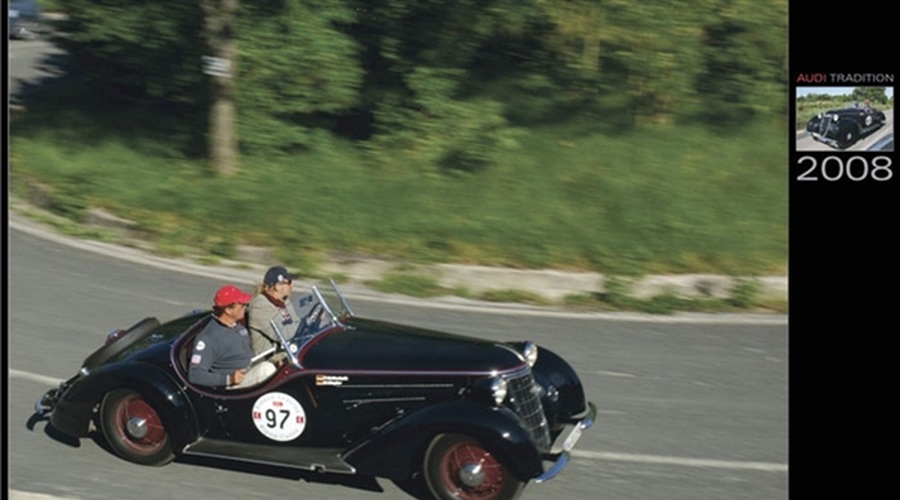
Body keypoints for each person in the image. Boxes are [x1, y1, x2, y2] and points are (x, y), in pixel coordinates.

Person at [188, 284, 276, 389]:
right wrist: (229, 379)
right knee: (267, 370)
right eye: (241, 304)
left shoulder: (240, 328)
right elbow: (195, 375)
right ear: (228, 310)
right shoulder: (208, 338)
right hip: (232, 386)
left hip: (248, 371)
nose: (245, 306)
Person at [247, 266, 299, 367]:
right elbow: (286, 335)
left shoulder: (284, 301)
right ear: (278, 286)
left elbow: (296, 323)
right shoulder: (260, 306)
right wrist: (306, 324)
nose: (292, 286)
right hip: (268, 363)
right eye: (289, 282)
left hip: (286, 354)